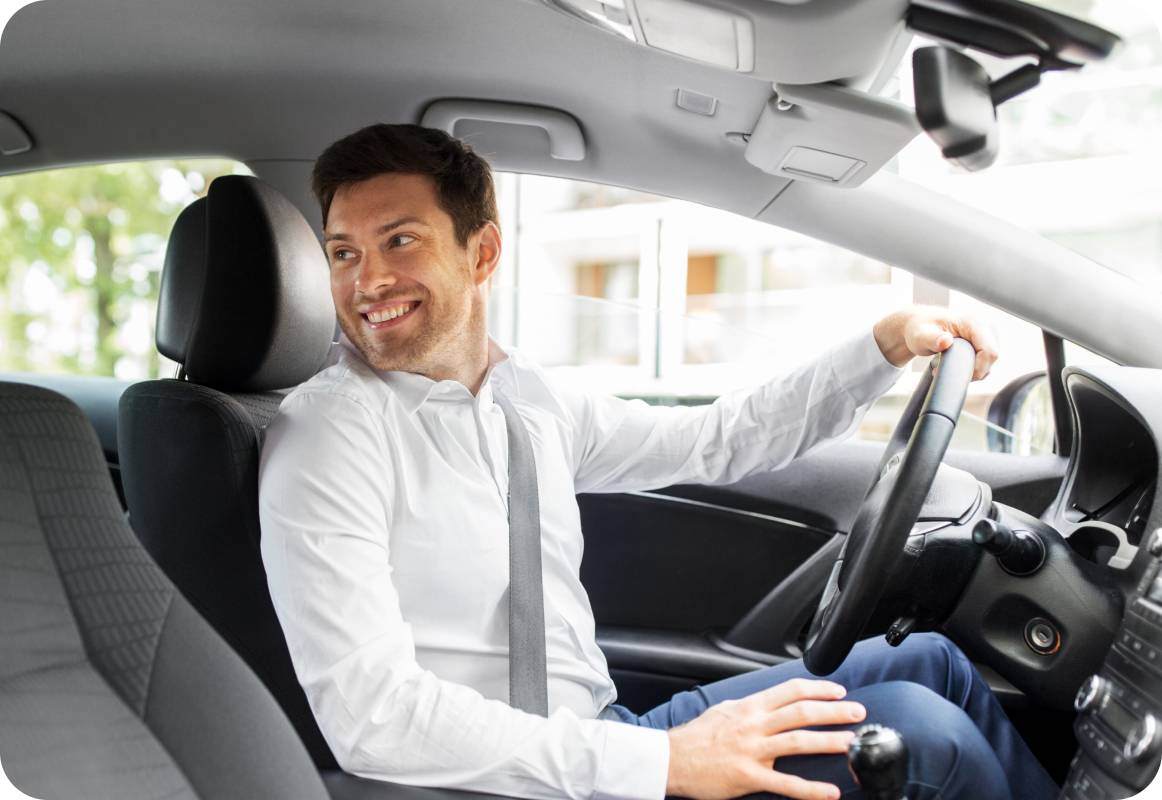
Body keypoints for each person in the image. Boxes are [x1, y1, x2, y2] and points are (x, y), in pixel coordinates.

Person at [258, 123, 1057, 800]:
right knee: (925, 734)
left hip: (600, 740)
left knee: (930, 661)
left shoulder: (523, 402)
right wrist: (668, 761)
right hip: (504, 780)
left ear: (482, 252)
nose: (369, 281)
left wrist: (879, 348)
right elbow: (373, 718)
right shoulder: (330, 439)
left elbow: (716, 439)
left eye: (399, 241)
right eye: (343, 253)